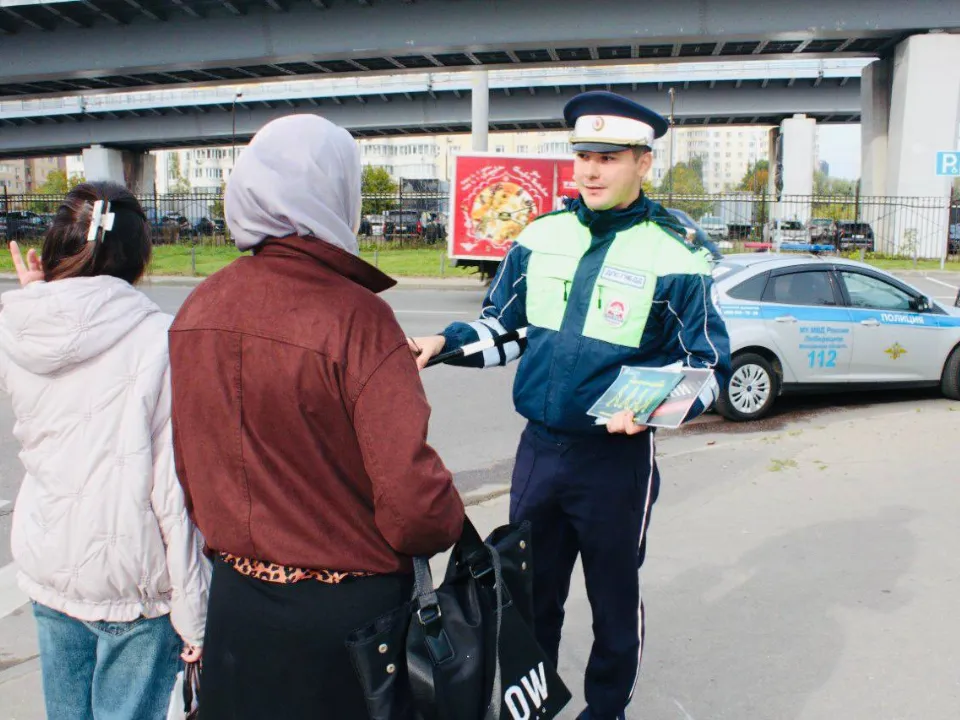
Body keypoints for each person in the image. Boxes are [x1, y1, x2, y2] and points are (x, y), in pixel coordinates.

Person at [409, 91, 732, 720]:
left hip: (615, 460)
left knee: (614, 598)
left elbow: (708, 368)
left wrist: (654, 407)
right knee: (529, 597)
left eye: (607, 157)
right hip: (537, 454)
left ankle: (604, 709)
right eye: (583, 155)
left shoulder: (679, 254)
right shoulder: (540, 236)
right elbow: (505, 330)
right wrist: (442, 343)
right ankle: (531, 707)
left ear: (644, 163)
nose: (589, 170)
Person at [167, 114, 466, 719]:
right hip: (349, 623)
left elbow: (191, 470)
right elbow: (414, 508)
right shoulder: (358, 319)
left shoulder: (199, 307)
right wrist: (449, 521)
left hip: (237, 605)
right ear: (338, 194)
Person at [0, 183, 208, 720]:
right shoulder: (160, 338)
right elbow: (171, 492)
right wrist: (196, 616)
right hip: (131, 580)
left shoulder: (21, 326)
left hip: (51, 564)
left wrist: (38, 298)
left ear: (54, 248)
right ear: (141, 258)